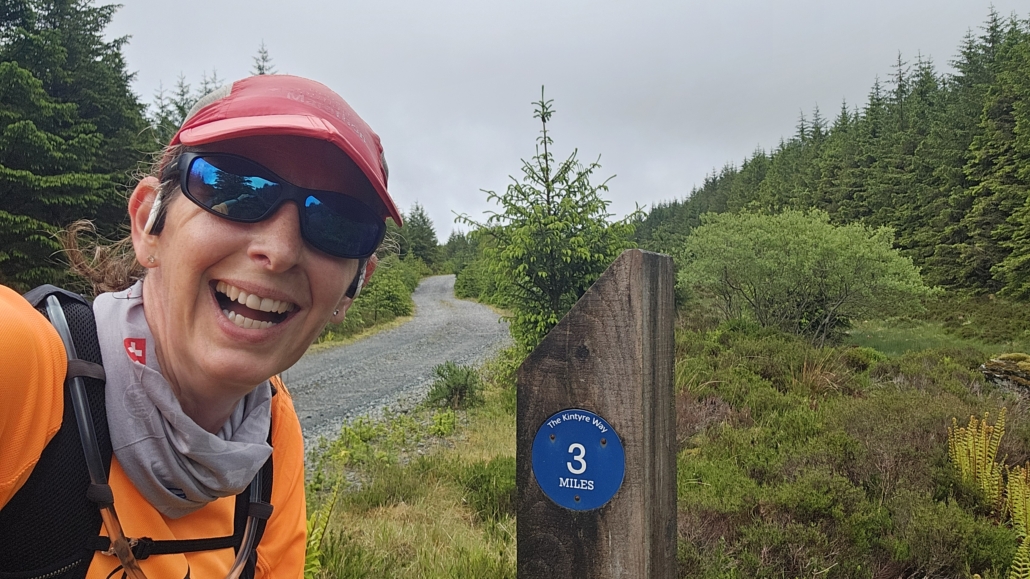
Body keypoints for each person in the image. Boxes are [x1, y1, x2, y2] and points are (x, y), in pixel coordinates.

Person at [0, 74, 402, 578]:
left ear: (353, 288)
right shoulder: (22, 363)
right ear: (150, 222)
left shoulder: (270, 429)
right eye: (234, 188)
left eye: (338, 222)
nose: (278, 252)